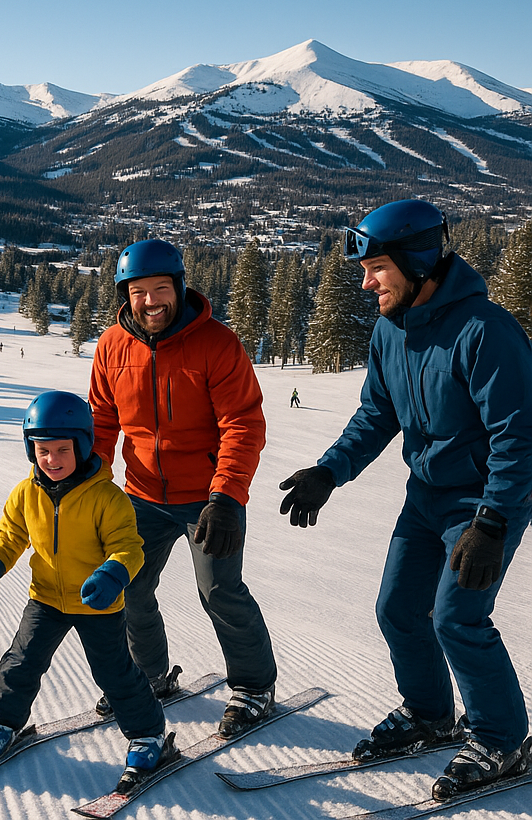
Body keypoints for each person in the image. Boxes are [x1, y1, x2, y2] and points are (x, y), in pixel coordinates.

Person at [278, 199, 532, 801]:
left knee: (457, 618)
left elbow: (520, 436)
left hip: (483, 504)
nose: (366, 283)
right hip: (426, 496)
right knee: (397, 608)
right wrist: (328, 471)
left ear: (417, 261)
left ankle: (502, 738)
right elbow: (377, 413)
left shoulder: (484, 331)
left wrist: (493, 519)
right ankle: (428, 713)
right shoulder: (390, 329)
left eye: (376, 269)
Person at [88, 239, 276, 737]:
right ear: (125, 295)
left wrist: (228, 496)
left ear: (180, 287)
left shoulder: (217, 343)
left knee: (219, 590)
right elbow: (102, 420)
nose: (151, 301)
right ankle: (149, 675)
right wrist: (91, 480)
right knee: (129, 586)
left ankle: (255, 686)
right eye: (140, 291)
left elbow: (242, 422)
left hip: (206, 497)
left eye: (161, 289)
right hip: (141, 493)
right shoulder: (112, 346)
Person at [0, 392, 168, 779]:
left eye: (63, 449)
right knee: (22, 661)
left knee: (114, 672)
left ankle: (147, 734)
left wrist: (111, 574)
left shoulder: (107, 498)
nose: (52, 459)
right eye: (43, 450)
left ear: (84, 445)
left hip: (98, 604)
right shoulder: (26, 493)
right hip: (45, 598)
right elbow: (11, 535)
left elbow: (129, 547)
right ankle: (1, 723)